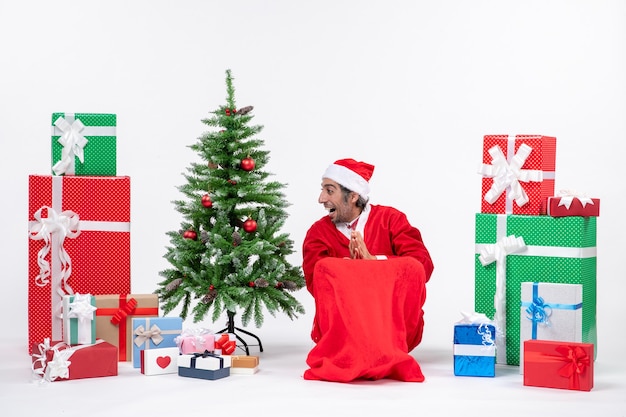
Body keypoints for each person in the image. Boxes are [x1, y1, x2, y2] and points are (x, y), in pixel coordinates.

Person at [302, 158, 434, 352]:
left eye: (330, 191)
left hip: (391, 327)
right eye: (322, 190)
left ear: (353, 196)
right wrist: (352, 268)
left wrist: (375, 262)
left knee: (413, 268)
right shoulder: (318, 232)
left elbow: (422, 267)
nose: (321, 198)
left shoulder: (391, 220)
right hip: (344, 333)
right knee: (325, 268)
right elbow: (316, 283)